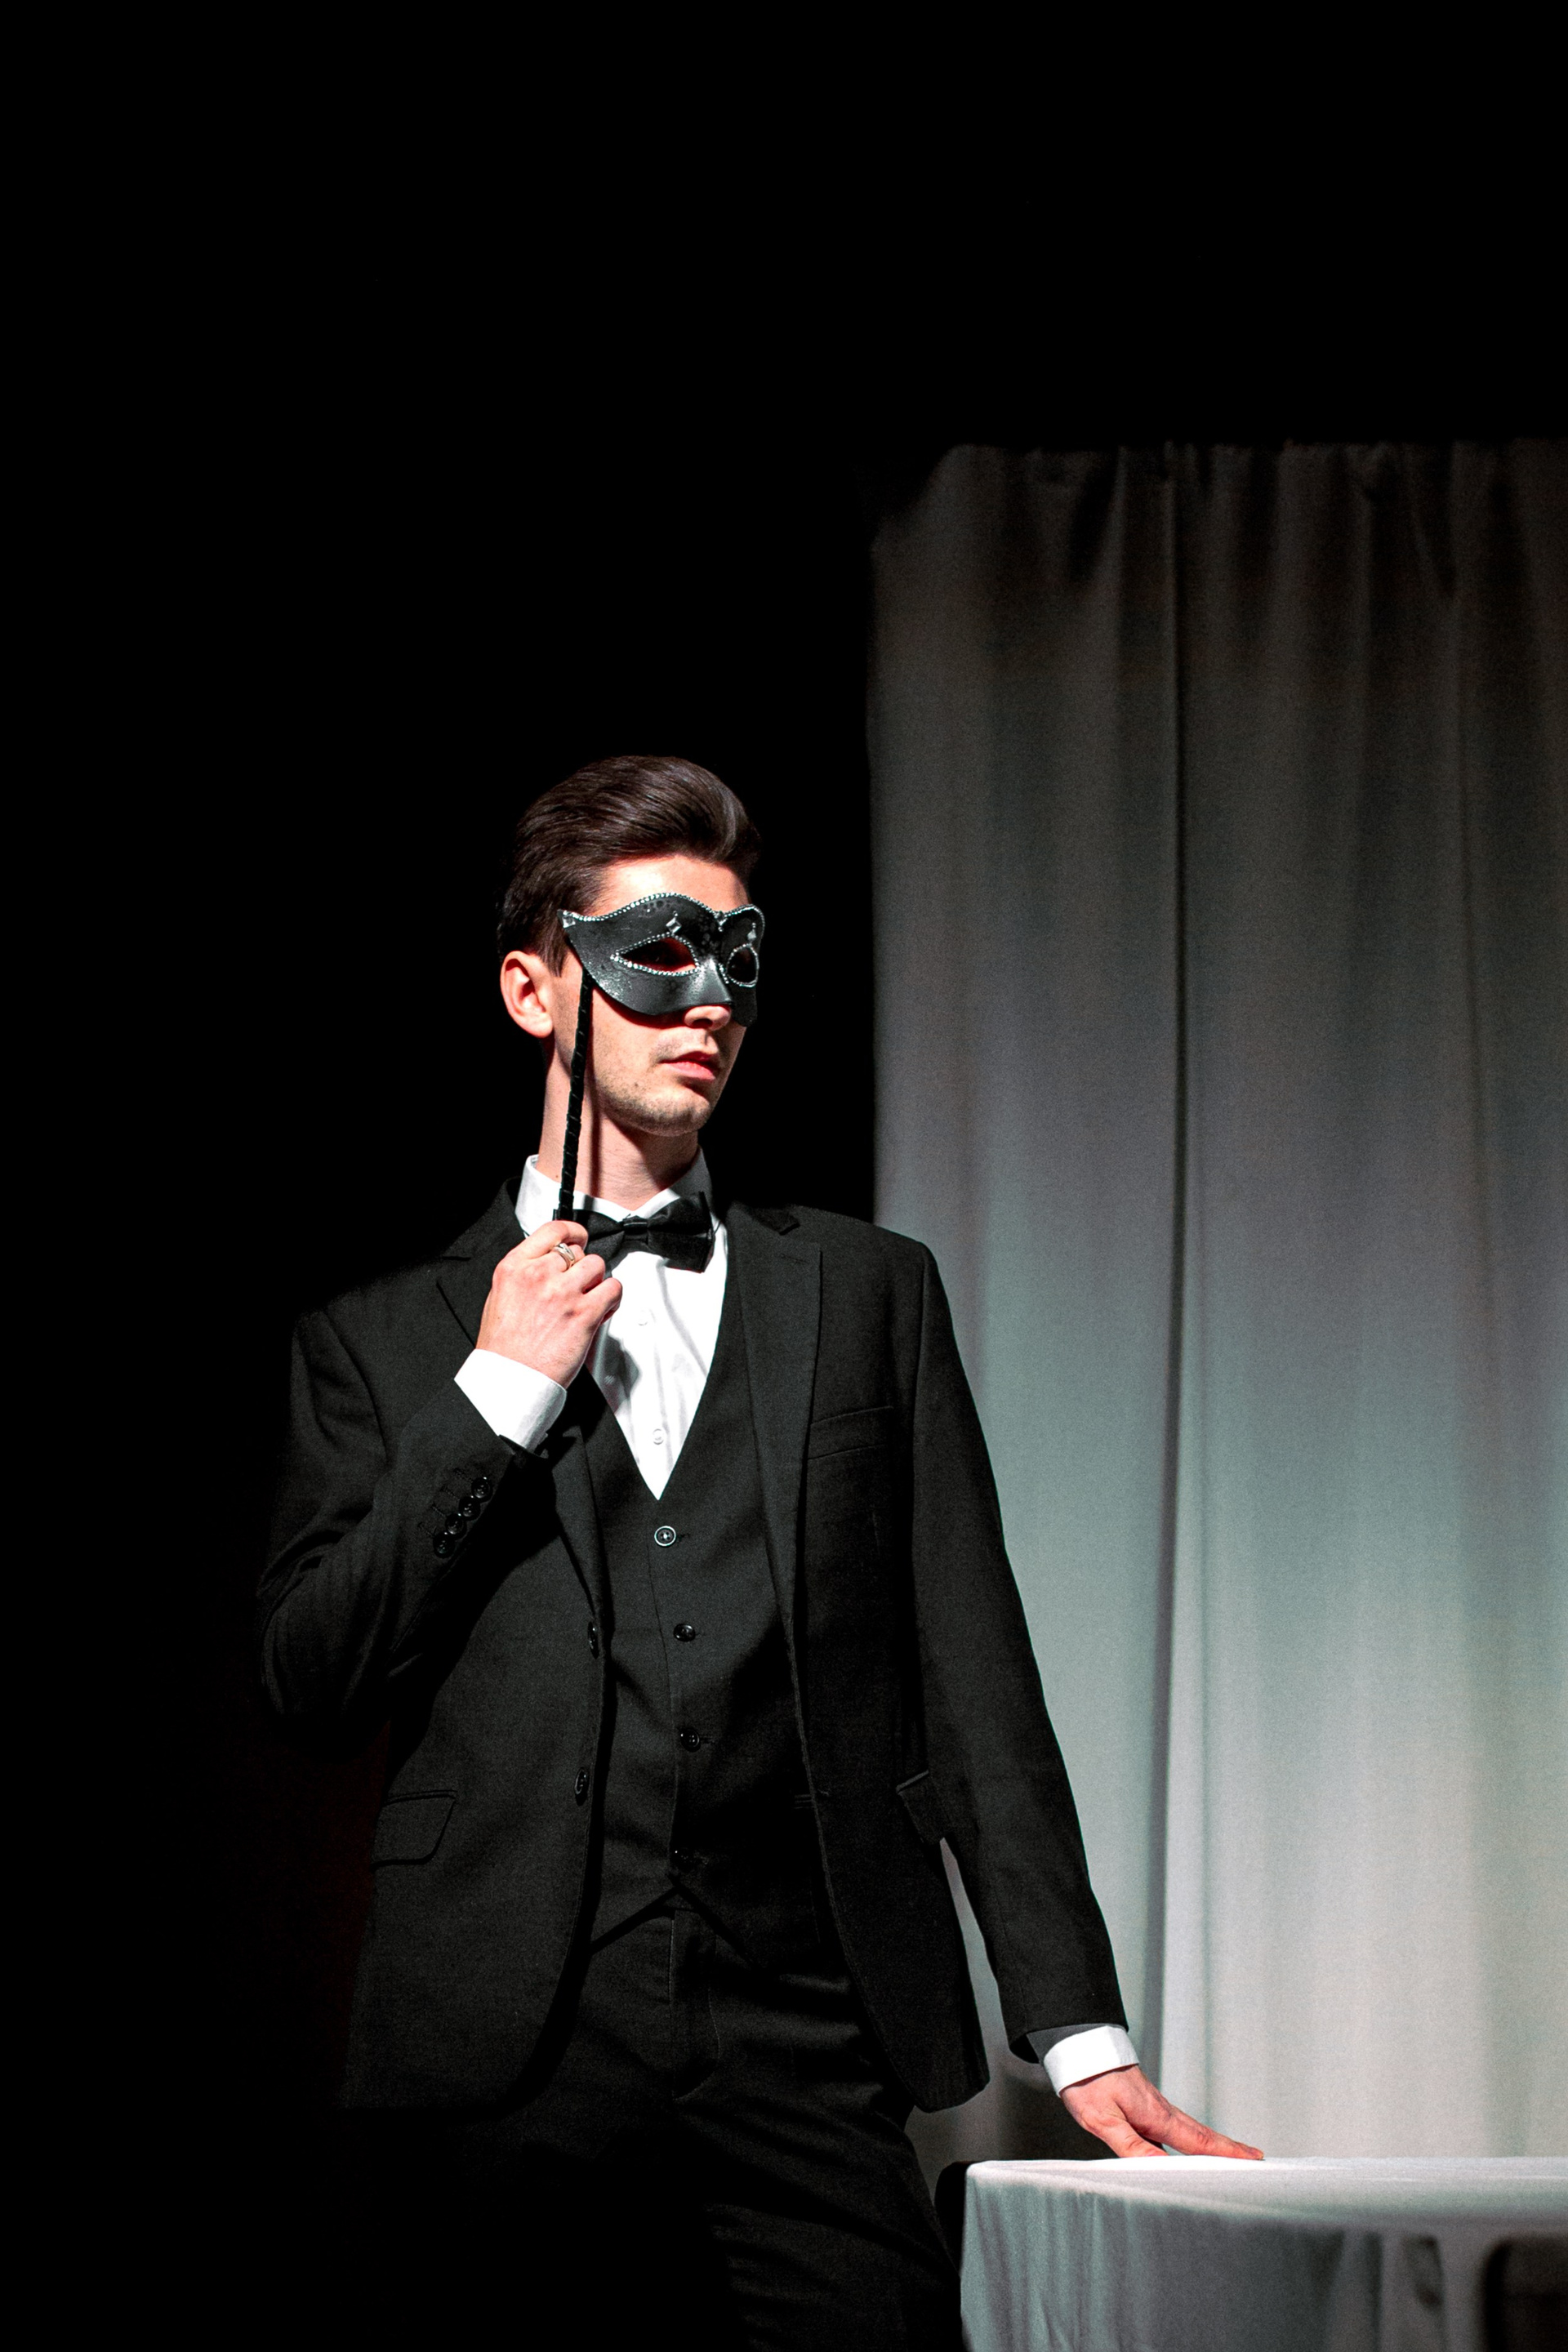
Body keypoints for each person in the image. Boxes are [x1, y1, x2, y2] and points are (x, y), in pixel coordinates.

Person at [259, 755, 1258, 2349]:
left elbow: (973, 1678)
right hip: (506, 2062)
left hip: (807, 2038)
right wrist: (497, 1393)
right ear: (534, 989)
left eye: (738, 955)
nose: (711, 997)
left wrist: (1077, 2028)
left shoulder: (866, 1296)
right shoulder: (378, 1342)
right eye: (660, 950)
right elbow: (312, 1681)